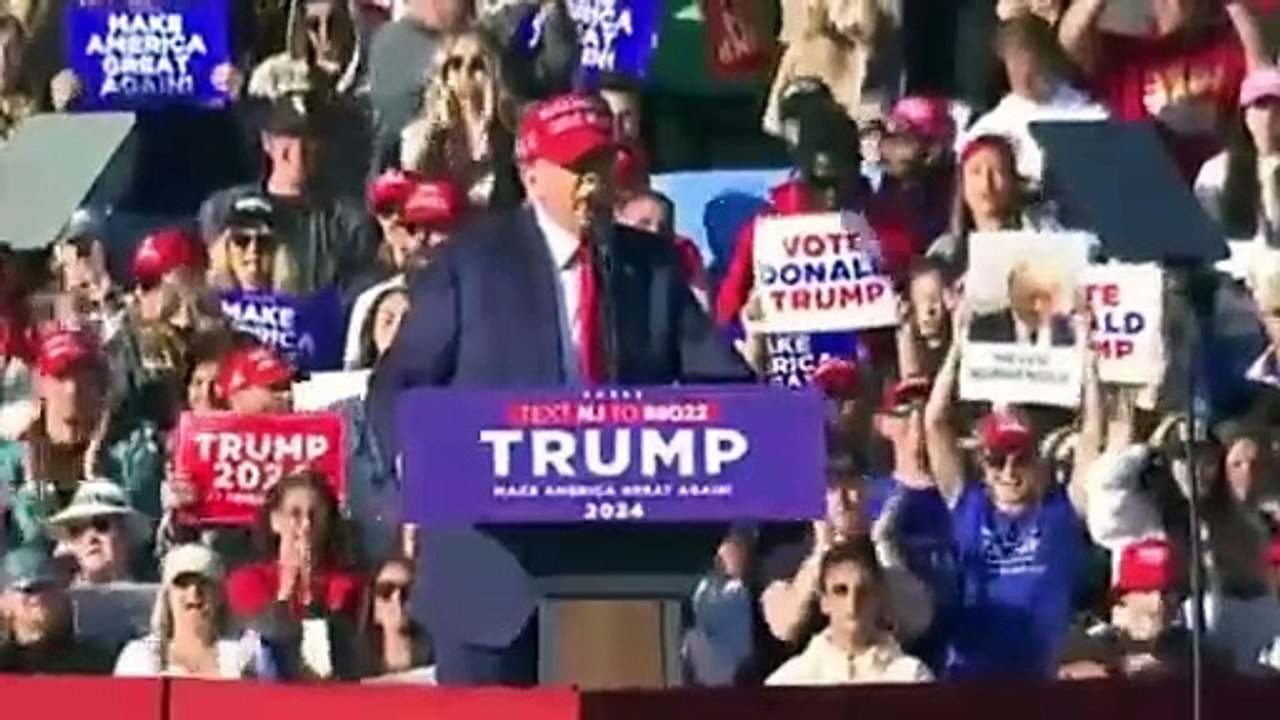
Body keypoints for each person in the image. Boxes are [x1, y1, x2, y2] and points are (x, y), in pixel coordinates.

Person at [367, 91, 753, 686]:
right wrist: (419, 469)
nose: (593, 184)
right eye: (577, 167)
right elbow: (398, 386)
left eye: (603, 166)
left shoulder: (649, 266)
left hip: (619, 578)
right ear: (530, 174)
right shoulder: (470, 263)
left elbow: (727, 387)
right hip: (486, 569)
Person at [225, 470, 361, 679]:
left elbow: (330, 650)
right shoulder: (246, 580)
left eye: (314, 515)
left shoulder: (345, 585)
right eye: (295, 514)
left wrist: (308, 587)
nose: (306, 525)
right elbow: (262, 638)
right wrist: (288, 583)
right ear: (275, 521)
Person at [765, 539, 935, 686]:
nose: (852, 603)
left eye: (864, 592)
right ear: (824, 602)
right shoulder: (789, 682)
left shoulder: (912, 678)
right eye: (840, 591)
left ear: (879, 598)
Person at [114, 544, 277, 679]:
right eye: (183, 584)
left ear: (220, 595)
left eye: (204, 583)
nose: (194, 593)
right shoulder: (137, 658)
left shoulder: (248, 654)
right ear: (167, 596)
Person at [0, 546, 115, 673]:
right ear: (4, 601)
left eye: (47, 586)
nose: (39, 596)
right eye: (28, 589)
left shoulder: (93, 660)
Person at [45, 479, 150, 585]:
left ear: (127, 532)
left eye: (101, 525)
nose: (90, 538)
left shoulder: (154, 599)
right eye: (77, 530)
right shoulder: (59, 600)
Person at [355, 553, 434, 682]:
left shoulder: (439, 665)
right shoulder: (353, 668)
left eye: (407, 591)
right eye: (385, 590)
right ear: (374, 605)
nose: (397, 600)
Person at [968, 259, 1076, 346]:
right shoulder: (982, 329)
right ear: (1012, 295)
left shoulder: (1069, 331)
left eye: (1045, 298)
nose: (1036, 307)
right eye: (1030, 298)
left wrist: (1045, 331)